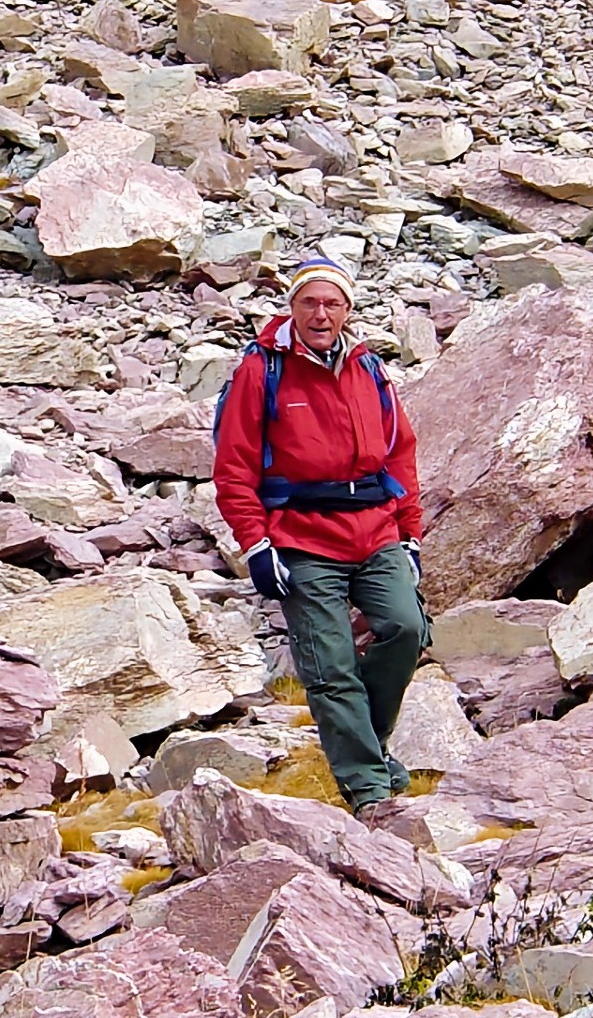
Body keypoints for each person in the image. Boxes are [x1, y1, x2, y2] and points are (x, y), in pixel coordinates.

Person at [211, 255, 428, 818]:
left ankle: (369, 749)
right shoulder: (262, 371)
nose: (321, 313)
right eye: (309, 301)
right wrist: (256, 544)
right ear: (292, 306)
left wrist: (410, 533)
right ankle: (370, 791)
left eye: (332, 303)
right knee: (329, 667)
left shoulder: (370, 369)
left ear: (348, 309)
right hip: (303, 540)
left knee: (406, 629)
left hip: (376, 530)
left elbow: (400, 454)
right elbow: (234, 467)